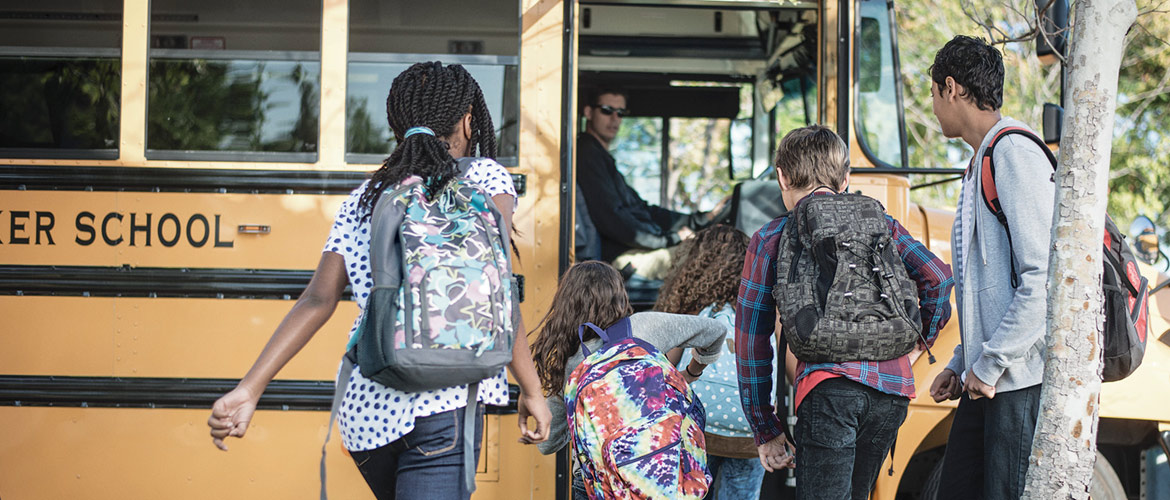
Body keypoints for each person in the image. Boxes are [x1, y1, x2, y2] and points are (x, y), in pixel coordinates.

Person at [206, 62, 551, 500]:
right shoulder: (484, 179)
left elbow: (316, 300)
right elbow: (493, 290)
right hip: (444, 402)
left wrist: (249, 388)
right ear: (468, 118)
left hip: (367, 409)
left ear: (397, 123)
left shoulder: (365, 197)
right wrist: (532, 389)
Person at [735, 125, 953, 500]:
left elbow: (752, 343)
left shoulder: (771, 238)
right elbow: (938, 277)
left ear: (782, 177)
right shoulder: (882, 224)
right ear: (846, 177)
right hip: (891, 394)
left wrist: (765, 427)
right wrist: (918, 345)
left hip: (829, 390)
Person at [927, 35, 1056, 500]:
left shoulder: (1013, 153)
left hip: (1015, 379)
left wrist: (991, 363)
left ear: (952, 87)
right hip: (986, 377)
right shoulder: (980, 160)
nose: (935, 108)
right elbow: (988, 286)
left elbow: (1043, 278)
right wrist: (964, 363)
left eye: (934, 95)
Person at [527, 260, 729, 500]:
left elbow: (547, 444)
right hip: (668, 468)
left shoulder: (566, 361)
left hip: (603, 485)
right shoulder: (646, 327)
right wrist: (692, 372)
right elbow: (716, 331)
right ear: (619, 295)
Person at [656, 224, 771, 500]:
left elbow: (666, 368)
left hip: (696, 428)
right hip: (750, 430)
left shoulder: (691, 306)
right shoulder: (760, 307)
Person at [575, 87, 708, 275]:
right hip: (619, 257)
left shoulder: (602, 158)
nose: (615, 118)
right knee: (708, 258)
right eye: (607, 110)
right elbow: (613, 219)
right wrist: (669, 239)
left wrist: (701, 219)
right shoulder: (587, 154)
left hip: (633, 249)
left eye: (621, 113)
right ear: (588, 112)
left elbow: (642, 208)